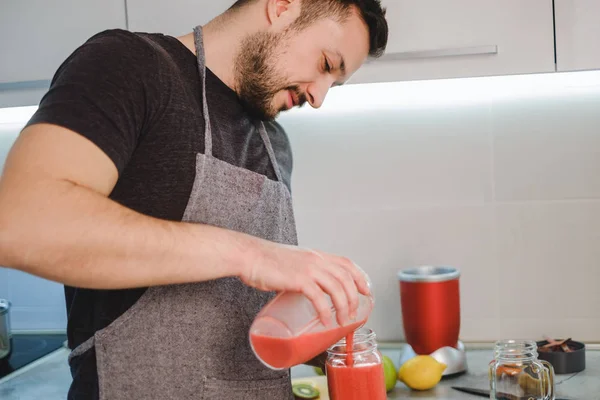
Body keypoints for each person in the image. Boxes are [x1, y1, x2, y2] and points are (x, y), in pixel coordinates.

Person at [0, 0, 388, 398]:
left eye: (334, 86)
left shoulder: (274, 144)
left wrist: (314, 334)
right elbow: (21, 221)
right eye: (326, 64)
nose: (319, 98)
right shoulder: (129, 65)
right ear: (283, 6)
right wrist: (252, 254)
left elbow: (232, 324)